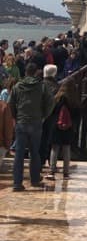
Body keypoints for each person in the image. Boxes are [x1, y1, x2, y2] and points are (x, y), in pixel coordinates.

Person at [9, 61, 54, 191]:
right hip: (36, 122)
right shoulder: (42, 86)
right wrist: (44, 115)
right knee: (35, 152)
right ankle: (34, 180)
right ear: (35, 73)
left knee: (19, 154)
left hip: (21, 122)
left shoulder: (17, 86)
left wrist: (15, 116)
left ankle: (17, 183)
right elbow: (50, 102)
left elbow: (11, 104)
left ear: (25, 72)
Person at [47, 79, 81, 180]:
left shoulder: (57, 98)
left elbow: (51, 111)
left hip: (56, 126)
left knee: (54, 148)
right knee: (66, 149)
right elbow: (78, 114)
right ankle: (66, 173)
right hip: (69, 127)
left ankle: (52, 171)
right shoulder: (74, 99)